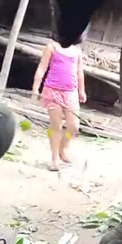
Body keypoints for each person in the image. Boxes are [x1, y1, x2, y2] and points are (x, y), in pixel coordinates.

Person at [31, 34, 87, 172]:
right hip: (52, 91)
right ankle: (55, 157)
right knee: (55, 126)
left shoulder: (77, 50)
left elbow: (79, 72)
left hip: (71, 92)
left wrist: (81, 90)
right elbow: (42, 68)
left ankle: (63, 147)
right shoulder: (52, 47)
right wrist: (35, 88)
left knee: (73, 126)